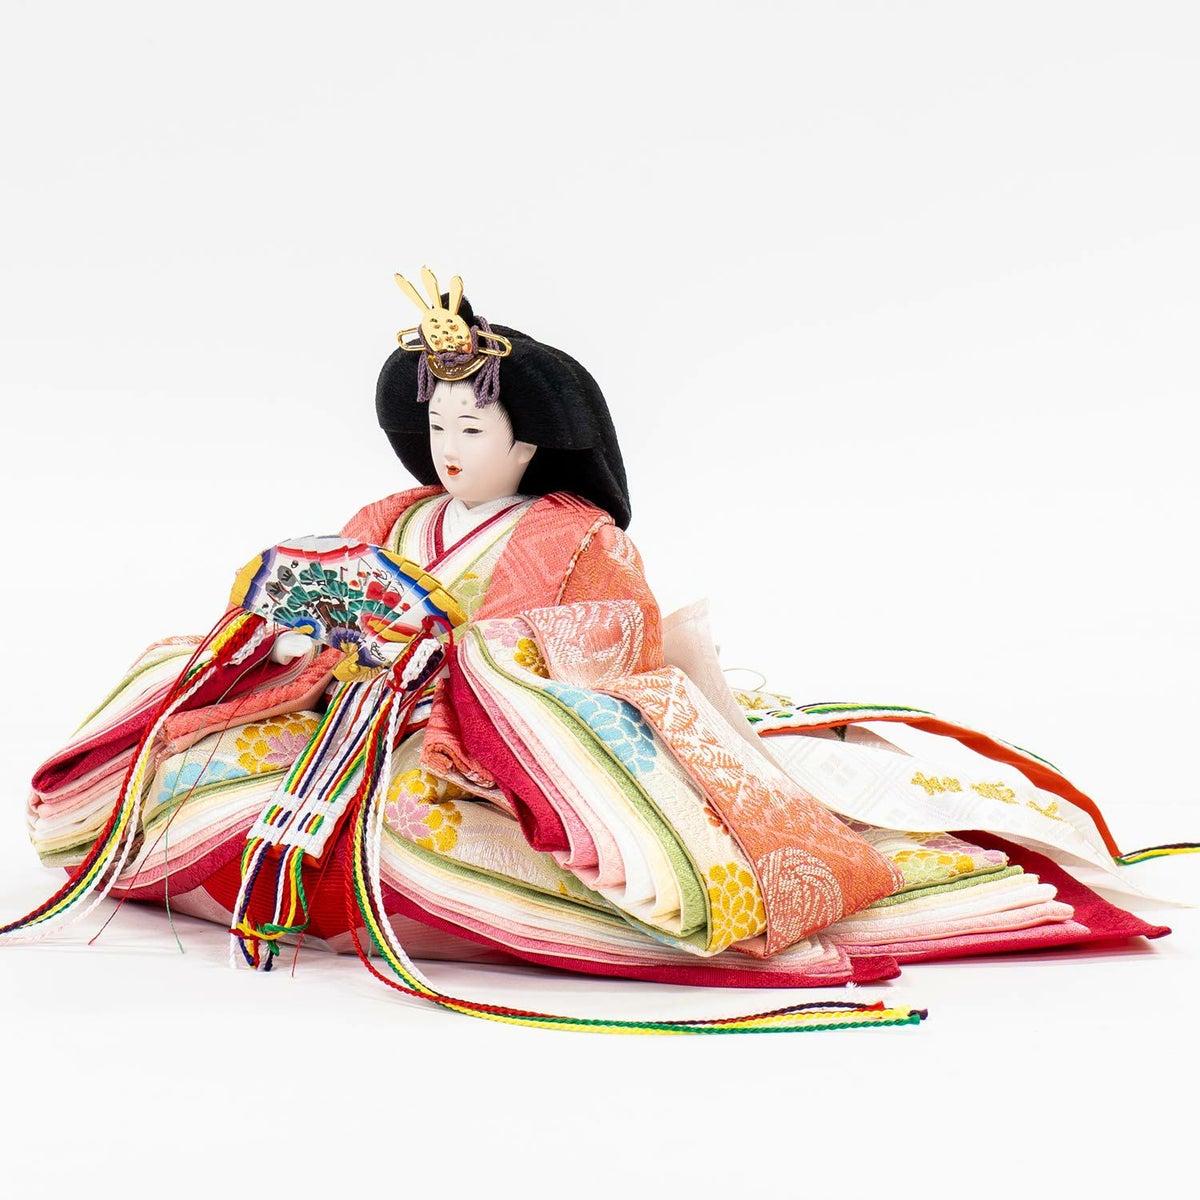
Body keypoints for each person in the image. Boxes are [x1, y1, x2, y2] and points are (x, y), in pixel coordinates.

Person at [9, 271, 1173, 1029]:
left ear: (534, 439)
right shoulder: (390, 517)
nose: (449, 445)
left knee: (424, 832)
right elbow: (334, 600)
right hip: (348, 717)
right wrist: (301, 621)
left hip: (486, 744)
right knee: (191, 763)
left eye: (474, 426)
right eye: (437, 424)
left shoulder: (576, 537)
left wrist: (466, 659)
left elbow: (611, 650)